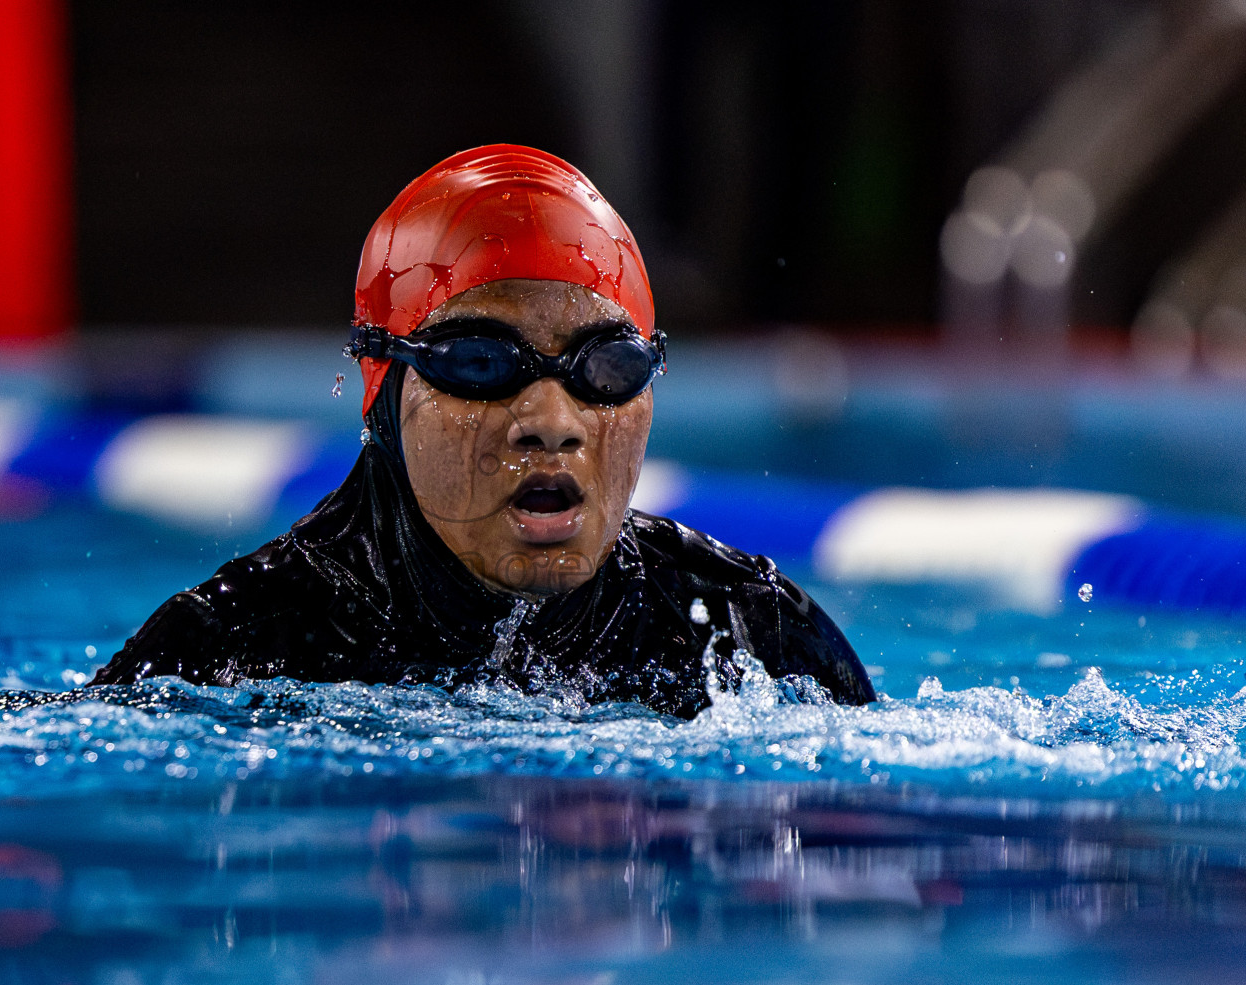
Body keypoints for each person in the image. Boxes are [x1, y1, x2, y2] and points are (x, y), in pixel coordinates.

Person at [93, 144, 874, 716]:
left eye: (605, 368)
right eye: (479, 363)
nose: (550, 422)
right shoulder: (228, 652)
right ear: (382, 390)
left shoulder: (749, 635)